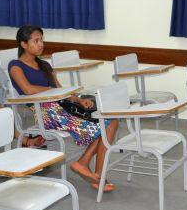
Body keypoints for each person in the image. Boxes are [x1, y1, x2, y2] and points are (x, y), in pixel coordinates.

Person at [8, 25, 119, 192]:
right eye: (36, 41)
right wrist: (52, 91)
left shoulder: (45, 65)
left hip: (63, 107)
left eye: (41, 40)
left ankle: (92, 170)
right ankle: (90, 170)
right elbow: (28, 89)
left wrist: (79, 100)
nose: (41, 44)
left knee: (110, 121)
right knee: (106, 124)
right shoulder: (15, 65)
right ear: (23, 44)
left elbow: (61, 90)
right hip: (47, 113)